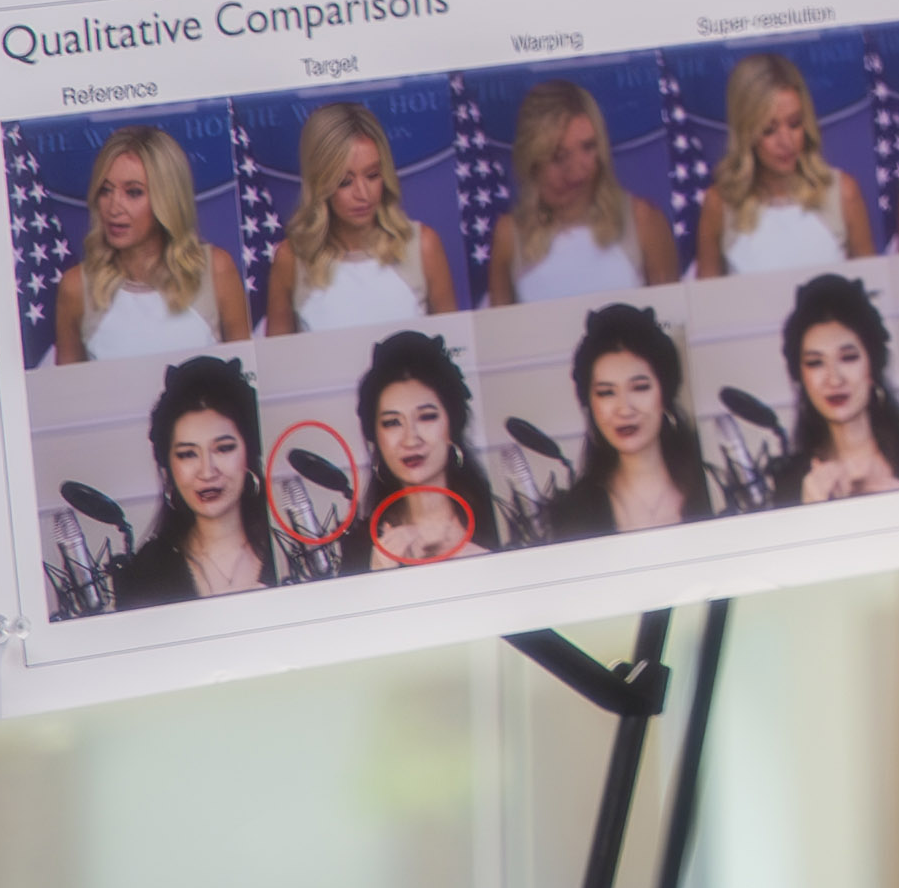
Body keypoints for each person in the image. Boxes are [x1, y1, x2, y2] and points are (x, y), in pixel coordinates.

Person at [57, 123, 247, 361]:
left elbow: (247, 381)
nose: (114, 207)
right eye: (105, 190)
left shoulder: (215, 270)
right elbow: (66, 395)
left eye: (133, 192)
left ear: (166, 199)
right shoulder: (75, 288)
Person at [266, 99, 457, 334]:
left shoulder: (423, 246)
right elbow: (277, 366)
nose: (363, 194)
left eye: (372, 175)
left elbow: (454, 354)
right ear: (320, 183)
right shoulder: (290, 260)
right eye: (345, 182)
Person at [536, 302, 719, 538]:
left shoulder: (716, 487)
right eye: (606, 392)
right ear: (590, 403)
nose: (624, 409)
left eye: (640, 388)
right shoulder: (576, 512)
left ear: (665, 393)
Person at [489, 81, 678, 304]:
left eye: (588, 147)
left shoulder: (643, 221)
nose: (576, 172)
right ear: (531, 161)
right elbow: (499, 337)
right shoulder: (509, 237)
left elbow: (672, 328)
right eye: (559, 156)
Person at [109, 353, 274, 606]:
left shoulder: (288, 549)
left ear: (249, 454)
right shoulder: (148, 572)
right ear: (168, 469)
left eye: (223, 448)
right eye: (188, 454)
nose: (207, 472)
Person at [697, 53, 866, 276]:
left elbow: (871, 296)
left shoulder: (843, 193)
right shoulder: (719, 205)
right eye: (769, 130)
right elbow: (706, 306)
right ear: (747, 133)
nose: (786, 142)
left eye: (795, 124)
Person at [343, 330, 496, 570]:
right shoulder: (360, 547)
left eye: (426, 417)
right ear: (376, 437)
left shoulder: (499, 520)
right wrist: (379, 578)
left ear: (452, 426)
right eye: (392, 422)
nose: (410, 439)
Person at [781, 271, 899, 499]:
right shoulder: (790, 481)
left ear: (873, 365)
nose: (834, 379)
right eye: (815, 363)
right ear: (800, 375)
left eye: (848, 358)